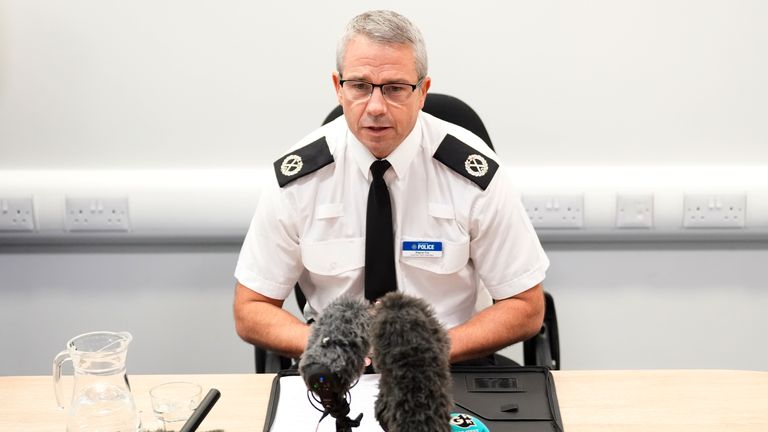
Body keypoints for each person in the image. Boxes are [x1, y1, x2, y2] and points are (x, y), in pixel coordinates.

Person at [233, 10, 549, 365]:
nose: (376, 107)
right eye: (360, 86)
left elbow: (526, 307)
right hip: (336, 364)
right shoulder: (299, 180)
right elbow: (251, 308)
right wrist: (328, 346)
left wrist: (429, 350)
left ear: (423, 92)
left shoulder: (473, 175)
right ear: (339, 88)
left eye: (395, 88)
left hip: (449, 362)